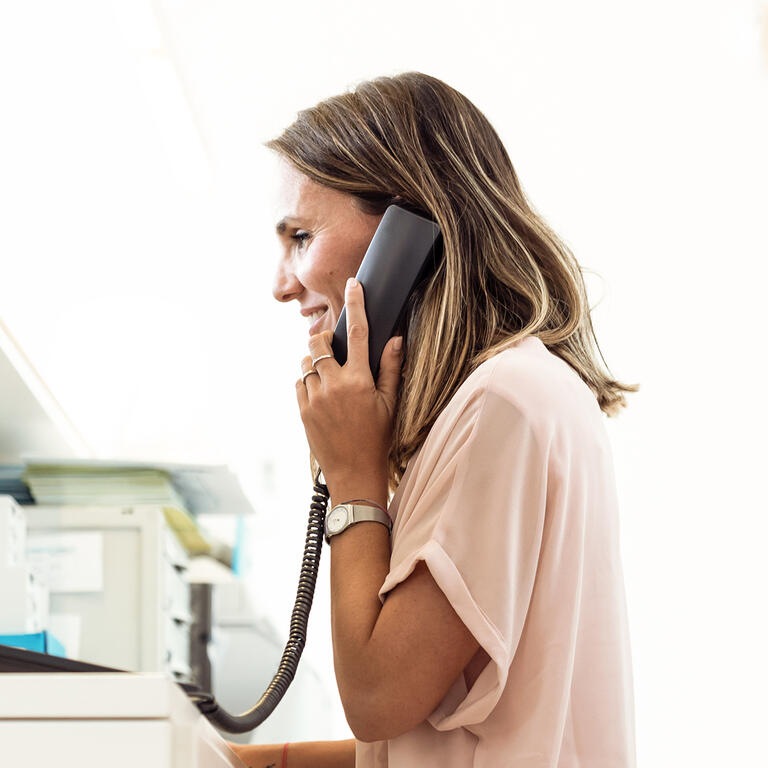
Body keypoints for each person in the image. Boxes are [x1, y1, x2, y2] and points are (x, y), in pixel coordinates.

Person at [232, 72, 636, 768]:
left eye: (301, 236)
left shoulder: (501, 405)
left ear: (406, 233)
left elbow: (381, 695)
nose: (280, 284)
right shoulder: (506, 399)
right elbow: (455, 732)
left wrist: (354, 478)